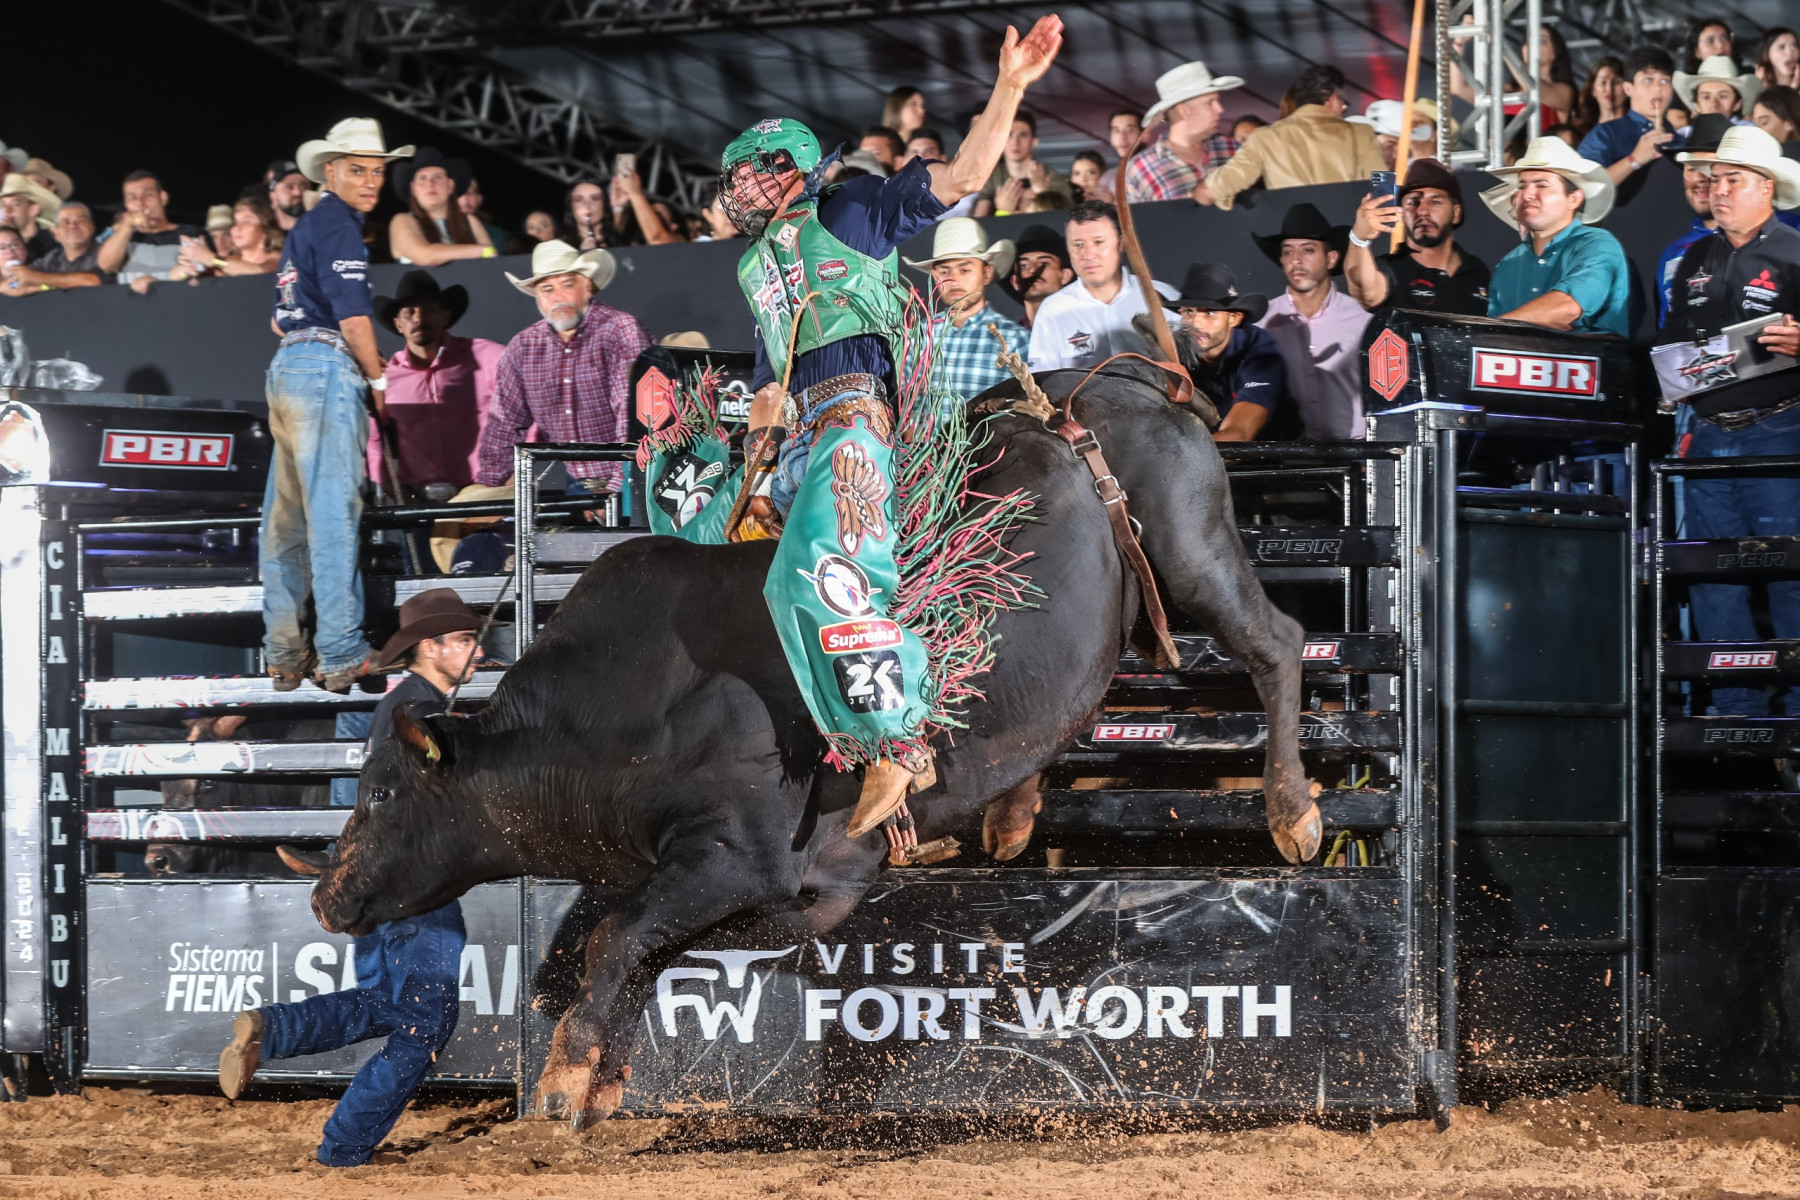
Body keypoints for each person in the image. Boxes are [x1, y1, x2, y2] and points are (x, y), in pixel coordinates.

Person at [719, 14, 1063, 836]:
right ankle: (871, 765)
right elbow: (773, 369)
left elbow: (963, 176)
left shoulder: (851, 212)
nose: (747, 184)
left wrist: (1009, 86)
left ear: (798, 173)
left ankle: (900, 745)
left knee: (832, 573)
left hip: (856, 423)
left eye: (764, 170)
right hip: (804, 441)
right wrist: (756, 455)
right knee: (785, 585)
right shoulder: (752, 265)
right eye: (741, 173)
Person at [220, 588, 485, 1168]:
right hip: (419, 887)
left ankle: (276, 1029)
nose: (476, 648)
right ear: (429, 648)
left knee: (388, 1004)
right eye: (463, 639)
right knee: (424, 1027)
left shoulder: (400, 709)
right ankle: (345, 1146)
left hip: (383, 885)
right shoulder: (421, 715)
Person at [263, 118, 415, 694]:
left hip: (287, 367)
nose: (372, 181)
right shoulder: (341, 229)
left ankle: (282, 650)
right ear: (330, 172)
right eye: (359, 170)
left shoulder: (308, 226)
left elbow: (277, 316)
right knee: (331, 515)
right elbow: (353, 319)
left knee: (284, 520)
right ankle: (342, 651)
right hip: (324, 367)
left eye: (377, 171)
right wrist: (379, 385)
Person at [1661, 126, 1800, 715]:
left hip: (1780, 429)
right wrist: (1670, 383)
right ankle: (1733, 721)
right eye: (1715, 180)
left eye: (1732, 180)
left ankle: (1795, 720)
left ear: (1766, 188)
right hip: (1708, 433)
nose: (1717, 190)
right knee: (1713, 577)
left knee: (1790, 573)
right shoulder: (1694, 256)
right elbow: (1669, 344)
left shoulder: (1795, 253)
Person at [474, 239, 650, 498]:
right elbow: (505, 424)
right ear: (537, 298)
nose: (558, 297)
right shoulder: (523, 347)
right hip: (572, 482)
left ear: (588, 287)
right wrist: (488, 490)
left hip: (635, 477)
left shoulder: (619, 329)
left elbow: (633, 412)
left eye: (567, 285)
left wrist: (618, 486)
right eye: (547, 289)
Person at [369, 269, 504, 501]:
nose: (419, 318)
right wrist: (382, 479)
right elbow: (371, 434)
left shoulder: (487, 357)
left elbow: (523, 412)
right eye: (409, 312)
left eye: (429, 310)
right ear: (398, 324)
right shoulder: (385, 377)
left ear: (446, 316)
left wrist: (517, 472)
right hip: (418, 500)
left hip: (482, 492)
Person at [1481, 136, 1629, 338]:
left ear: (1574, 199)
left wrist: (1494, 330)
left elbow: (1568, 307)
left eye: (1541, 185)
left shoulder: (1597, 245)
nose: (1528, 194)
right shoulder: (1508, 263)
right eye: (1522, 186)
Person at [1253, 203, 1371, 440]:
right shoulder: (1262, 324)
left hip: (1355, 457)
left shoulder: (1363, 320)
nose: (1296, 260)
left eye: (1307, 250)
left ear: (1331, 258)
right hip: (1289, 460)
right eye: (1287, 251)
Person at [1200, 64, 1387, 209]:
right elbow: (1383, 189)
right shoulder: (1361, 133)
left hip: (1296, 242)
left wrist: (1207, 194)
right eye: (1343, 103)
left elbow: (1220, 187)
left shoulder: (1264, 138)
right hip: (1349, 233)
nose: (1343, 110)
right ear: (1331, 99)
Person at [1027, 199, 1177, 370]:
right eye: (1078, 245)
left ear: (1120, 243)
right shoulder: (1052, 311)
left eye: (1098, 242)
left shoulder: (1161, 296)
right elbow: (1040, 381)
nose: (1088, 254)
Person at [902, 218, 1030, 402]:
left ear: (985, 274)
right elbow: (909, 407)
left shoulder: (1015, 339)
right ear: (935, 278)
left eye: (965, 270)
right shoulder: (918, 336)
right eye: (944, 272)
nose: (953, 280)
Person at [1344, 157, 1490, 315]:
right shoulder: (1389, 269)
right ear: (1402, 212)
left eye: (1435, 202)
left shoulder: (1477, 270)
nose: (1422, 211)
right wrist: (1359, 238)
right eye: (1413, 202)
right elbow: (1366, 293)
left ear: (1455, 213)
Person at [1163, 262, 1291, 441]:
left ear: (1234, 318)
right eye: (1188, 312)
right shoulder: (1174, 352)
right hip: (1202, 454)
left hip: (1272, 462)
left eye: (1209, 313)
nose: (1195, 324)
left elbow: (1238, 435)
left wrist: (1172, 463)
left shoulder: (1260, 353)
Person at [1125, 61, 1245, 204]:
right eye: (1210, 102)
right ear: (1184, 110)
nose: (1220, 109)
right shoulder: (1139, 170)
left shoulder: (1234, 149)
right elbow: (1134, 225)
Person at [1653, 114, 1732, 322]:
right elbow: (1667, 329)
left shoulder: (1784, 232)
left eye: (1708, 168)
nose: (1699, 179)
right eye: (1691, 169)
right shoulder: (1674, 253)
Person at [1578, 46, 1679, 186]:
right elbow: (1585, 186)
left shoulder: (1679, 141)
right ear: (1628, 88)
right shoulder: (1605, 134)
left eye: (1665, 81)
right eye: (1648, 80)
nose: (1658, 88)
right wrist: (1634, 159)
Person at [96, 170, 207, 287]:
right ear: (126, 204)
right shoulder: (122, 238)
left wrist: (161, 281)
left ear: (163, 198)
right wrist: (127, 225)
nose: (140, 202)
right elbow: (106, 266)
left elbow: (203, 274)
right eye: (132, 198)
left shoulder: (191, 234)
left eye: (148, 195)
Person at [388, 147, 495, 267]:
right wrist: (481, 250)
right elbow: (425, 256)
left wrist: (486, 251)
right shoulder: (402, 221)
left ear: (450, 185)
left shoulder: (470, 222)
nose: (430, 183)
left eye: (438, 177)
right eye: (423, 178)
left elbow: (493, 262)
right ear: (413, 188)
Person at [974, 108, 1072, 217]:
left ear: (1034, 142)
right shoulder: (992, 176)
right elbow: (977, 223)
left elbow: (1061, 220)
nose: (1015, 141)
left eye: (1023, 135)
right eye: (1009, 134)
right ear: (999, 140)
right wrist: (1002, 211)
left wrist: (1043, 195)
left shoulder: (1053, 178)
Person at [178, 197, 284, 279]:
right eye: (235, 222)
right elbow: (184, 280)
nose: (237, 228)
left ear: (266, 228)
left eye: (247, 221)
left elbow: (260, 274)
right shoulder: (227, 263)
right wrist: (187, 270)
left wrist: (210, 259)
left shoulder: (277, 257)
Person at [10, 202, 106, 290]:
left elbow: (95, 281)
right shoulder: (51, 259)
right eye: (65, 222)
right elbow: (9, 286)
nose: (73, 226)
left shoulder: (105, 253)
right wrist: (43, 288)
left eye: (81, 220)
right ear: (56, 234)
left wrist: (35, 278)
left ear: (92, 227)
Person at [1002, 222, 1073, 327]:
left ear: (1065, 276)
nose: (1033, 270)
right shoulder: (1008, 339)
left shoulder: (1086, 328)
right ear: (1015, 281)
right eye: (1024, 265)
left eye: (1044, 263)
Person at [1676, 56, 1762, 120]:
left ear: (1737, 104)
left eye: (1723, 96)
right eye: (1706, 97)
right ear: (1697, 105)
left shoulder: (1750, 134)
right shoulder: (1684, 137)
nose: (1714, 104)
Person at [0, 175, 57, 261]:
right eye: (4, 205)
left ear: (33, 210)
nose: (7, 211)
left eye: (16, 204)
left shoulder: (51, 247)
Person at [1094, 108, 1145, 196]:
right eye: (1116, 131)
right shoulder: (1108, 178)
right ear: (1111, 139)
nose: (1122, 137)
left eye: (1130, 130)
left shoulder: (1155, 170)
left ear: (1143, 135)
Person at [1576, 55, 1629, 136]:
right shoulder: (1582, 132)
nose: (1609, 88)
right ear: (1593, 89)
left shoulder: (1638, 128)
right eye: (1603, 82)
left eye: (1616, 82)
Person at [265, 159, 310, 233]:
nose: (298, 193)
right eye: (289, 187)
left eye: (303, 186)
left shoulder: (322, 229)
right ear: (272, 196)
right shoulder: (263, 238)